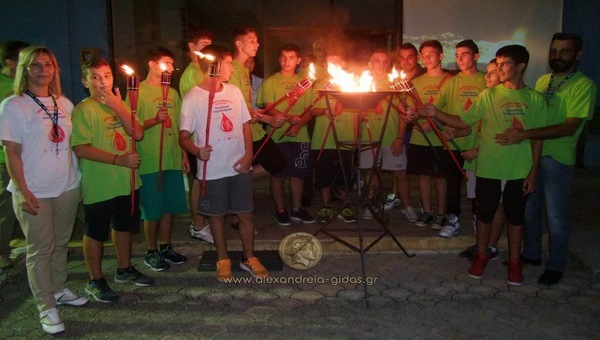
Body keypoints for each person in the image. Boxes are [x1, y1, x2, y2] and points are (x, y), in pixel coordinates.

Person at [417, 45, 546, 285]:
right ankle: (481, 255)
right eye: (497, 63)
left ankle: (515, 262)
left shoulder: (534, 98)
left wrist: (534, 170)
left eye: (505, 64)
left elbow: (537, 137)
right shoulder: (488, 95)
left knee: (516, 218)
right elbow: (463, 121)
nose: (499, 68)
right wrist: (434, 112)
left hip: (519, 169)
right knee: (484, 215)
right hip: (488, 167)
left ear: (521, 67)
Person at [495, 33, 597, 285]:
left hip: (557, 158)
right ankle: (531, 254)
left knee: (556, 215)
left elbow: (569, 127)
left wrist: (525, 134)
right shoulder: (542, 81)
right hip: (532, 154)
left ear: (577, 54)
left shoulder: (584, 85)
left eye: (565, 51)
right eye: (554, 51)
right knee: (530, 210)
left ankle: (556, 264)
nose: (558, 56)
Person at [0, 45, 87, 335]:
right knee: (40, 248)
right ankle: (45, 306)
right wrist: (23, 191)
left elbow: (72, 146)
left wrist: (80, 180)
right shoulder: (13, 105)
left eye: (48, 64)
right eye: (35, 65)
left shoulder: (64, 103)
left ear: (55, 69)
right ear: (24, 70)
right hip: (34, 189)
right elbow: (12, 152)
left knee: (61, 243)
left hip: (66, 185)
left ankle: (59, 289)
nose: (43, 70)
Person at [179, 45, 269, 282]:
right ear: (214, 66)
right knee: (217, 216)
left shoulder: (234, 91)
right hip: (214, 169)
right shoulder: (193, 98)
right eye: (229, 63)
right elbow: (184, 137)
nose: (232, 68)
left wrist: (249, 154)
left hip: (239, 165)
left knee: (245, 214)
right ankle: (222, 258)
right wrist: (198, 151)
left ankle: (249, 257)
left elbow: (244, 125)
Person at [72, 57, 154, 304]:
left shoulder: (120, 104)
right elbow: (81, 148)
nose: (102, 82)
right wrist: (119, 160)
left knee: (124, 226)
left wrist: (119, 107)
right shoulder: (84, 109)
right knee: (96, 231)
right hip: (100, 183)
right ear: (85, 82)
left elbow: (137, 133)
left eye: (106, 76)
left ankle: (124, 268)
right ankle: (95, 279)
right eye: (95, 77)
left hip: (127, 181)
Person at [131, 47, 189, 272]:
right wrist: (154, 120)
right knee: (152, 209)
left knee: (169, 207)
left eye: (172, 64)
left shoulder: (172, 94)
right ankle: (151, 250)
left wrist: (183, 153)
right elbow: (132, 126)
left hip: (171, 159)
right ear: (152, 65)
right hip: (150, 160)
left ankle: (166, 247)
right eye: (166, 63)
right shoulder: (138, 91)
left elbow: (177, 126)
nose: (170, 68)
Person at [228, 27, 286, 233]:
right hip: (240, 133)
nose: (257, 44)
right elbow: (237, 109)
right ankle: (238, 219)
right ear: (239, 44)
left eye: (257, 41)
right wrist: (268, 118)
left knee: (276, 162)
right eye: (252, 41)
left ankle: (234, 182)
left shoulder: (244, 69)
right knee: (243, 174)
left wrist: (262, 115)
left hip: (254, 130)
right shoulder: (232, 69)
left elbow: (247, 106)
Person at [257, 43, 315, 226]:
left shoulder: (305, 82)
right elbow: (268, 108)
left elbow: (310, 109)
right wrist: (288, 117)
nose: (286, 61)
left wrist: (299, 125)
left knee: (297, 173)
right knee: (278, 173)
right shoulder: (270, 82)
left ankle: (297, 208)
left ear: (298, 60)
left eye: (291, 57)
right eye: (283, 57)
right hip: (276, 135)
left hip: (300, 135)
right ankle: (280, 210)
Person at [434, 39, 486, 238]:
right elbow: (437, 109)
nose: (460, 59)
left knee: (477, 186)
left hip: (477, 143)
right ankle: (453, 219)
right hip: (454, 143)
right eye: (456, 56)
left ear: (476, 56)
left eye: (464, 55)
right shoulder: (451, 82)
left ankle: (478, 219)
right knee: (453, 183)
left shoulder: (486, 80)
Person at [359, 49, 416, 222]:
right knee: (372, 173)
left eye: (385, 62)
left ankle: (407, 206)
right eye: (377, 61)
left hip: (391, 137)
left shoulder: (395, 84)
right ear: (370, 63)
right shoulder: (362, 82)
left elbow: (403, 114)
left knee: (400, 173)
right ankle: (372, 204)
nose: (381, 65)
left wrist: (399, 137)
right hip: (369, 137)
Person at [459, 58, 504, 260]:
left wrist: (477, 149)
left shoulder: (505, 100)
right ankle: (481, 243)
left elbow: (502, 134)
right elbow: (467, 123)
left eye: (493, 72)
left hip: (494, 161)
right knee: (480, 204)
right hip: (477, 162)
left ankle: (491, 246)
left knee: (497, 205)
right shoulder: (485, 96)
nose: (487, 76)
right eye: (487, 72)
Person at [406, 40, 451, 229]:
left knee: (440, 177)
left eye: (431, 54)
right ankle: (426, 212)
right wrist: (411, 115)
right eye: (423, 55)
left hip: (440, 138)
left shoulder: (450, 80)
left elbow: (452, 111)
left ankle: (441, 214)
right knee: (423, 176)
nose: (427, 58)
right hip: (418, 137)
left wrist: (433, 126)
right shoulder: (416, 82)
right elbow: (411, 108)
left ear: (441, 56)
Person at [310, 50, 357, 223]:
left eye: (337, 63)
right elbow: (311, 109)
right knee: (323, 175)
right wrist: (324, 111)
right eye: (330, 63)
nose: (333, 67)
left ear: (343, 64)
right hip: (323, 138)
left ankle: (345, 207)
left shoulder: (352, 83)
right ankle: (326, 207)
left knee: (344, 175)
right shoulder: (319, 85)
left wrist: (356, 137)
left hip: (345, 138)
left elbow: (358, 112)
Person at [179, 27, 215, 244]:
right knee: (199, 180)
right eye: (204, 46)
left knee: (203, 180)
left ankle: (202, 222)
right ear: (192, 48)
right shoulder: (193, 73)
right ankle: (198, 225)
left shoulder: (202, 70)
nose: (209, 51)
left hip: (203, 137)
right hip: (195, 138)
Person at [384, 42, 425, 211]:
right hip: (398, 127)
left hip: (420, 129)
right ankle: (395, 195)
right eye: (401, 57)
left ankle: (424, 204)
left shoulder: (423, 76)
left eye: (410, 57)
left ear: (417, 58)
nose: (406, 61)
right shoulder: (395, 78)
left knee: (421, 170)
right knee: (398, 165)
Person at [0, 40, 29, 271]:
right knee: (6, 208)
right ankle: (1, 252)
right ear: (10, 62)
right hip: (5, 159)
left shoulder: (28, 84)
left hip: (34, 156)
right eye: (24, 60)